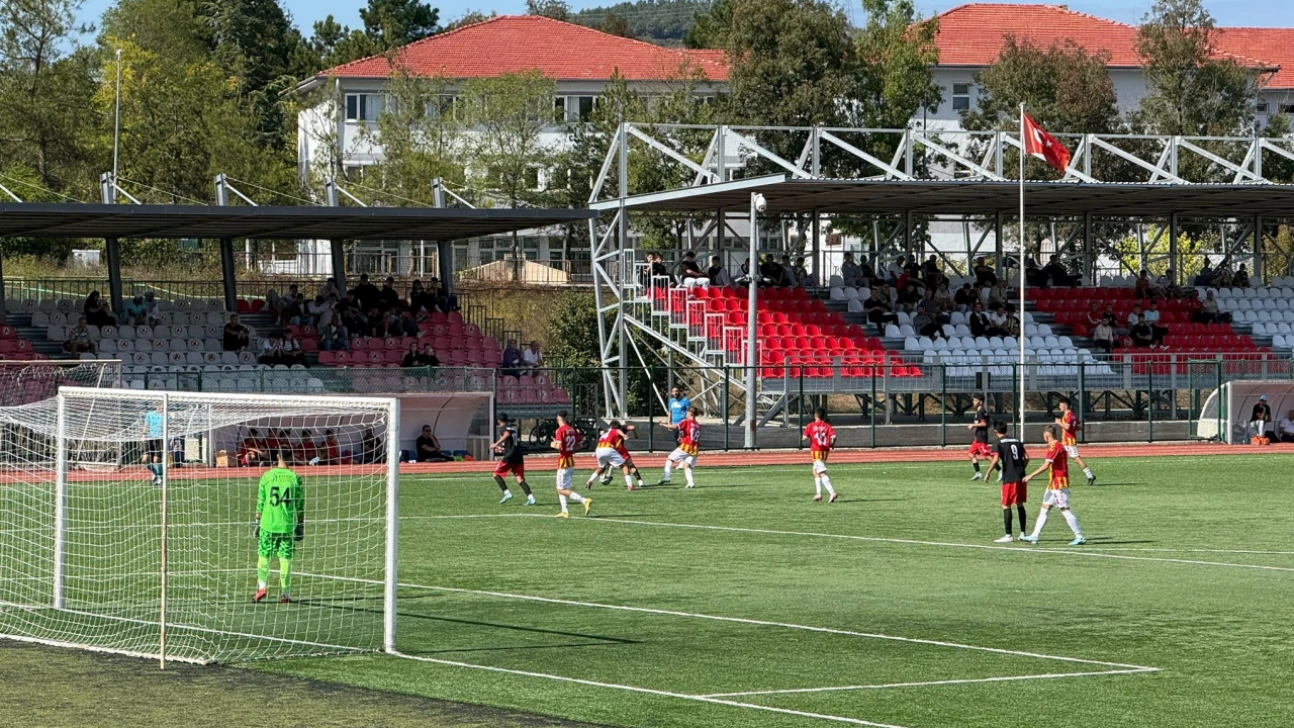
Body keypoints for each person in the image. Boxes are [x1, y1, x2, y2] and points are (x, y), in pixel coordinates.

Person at [251, 449, 305, 604]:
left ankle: (262, 587)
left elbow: (260, 502)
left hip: (267, 524)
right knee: (285, 559)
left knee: (264, 555)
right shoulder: (295, 478)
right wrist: (300, 524)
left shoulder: (267, 476)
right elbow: (300, 504)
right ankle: (285, 594)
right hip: (287, 526)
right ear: (291, 457)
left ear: (277, 456)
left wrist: (256, 523)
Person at [1020, 426, 1086, 546]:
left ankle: (1079, 536)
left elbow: (1046, 466)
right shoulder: (1059, 446)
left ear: (1047, 435)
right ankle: (1035, 535)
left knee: (1064, 509)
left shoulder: (1054, 447)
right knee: (1044, 508)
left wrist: (1030, 475)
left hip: (1058, 484)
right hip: (1053, 483)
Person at [984, 421, 1029, 543]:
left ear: (995, 431)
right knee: (1020, 504)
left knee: (1006, 504)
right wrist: (1020, 468)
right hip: (1021, 476)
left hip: (1009, 477)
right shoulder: (1016, 440)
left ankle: (1008, 535)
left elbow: (995, 459)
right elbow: (1027, 457)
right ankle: (1023, 533)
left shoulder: (998, 442)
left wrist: (988, 472)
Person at [551, 411, 590, 518]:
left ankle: (584, 500)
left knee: (561, 489)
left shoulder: (560, 430)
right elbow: (580, 445)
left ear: (559, 418)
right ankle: (564, 511)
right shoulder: (572, 430)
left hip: (563, 461)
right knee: (561, 487)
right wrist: (570, 449)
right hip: (570, 461)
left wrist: (553, 443)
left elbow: (558, 446)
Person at [491, 414, 534, 505]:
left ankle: (507, 493)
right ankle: (531, 498)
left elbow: (506, 434)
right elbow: (511, 443)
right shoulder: (512, 428)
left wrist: (496, 444)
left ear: (499, 420)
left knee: (495, 473)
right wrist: (501, 448)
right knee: (519, 478)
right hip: (518, 454)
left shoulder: (503, 428)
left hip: (511, 455)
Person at [586, 421, 638, 490]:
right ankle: (630, 486)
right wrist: (623, 435)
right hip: (608, 448)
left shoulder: (605, 433)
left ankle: (590, 481)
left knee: (601, 468)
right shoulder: (614, 430)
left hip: (598, 449)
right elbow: (617, 431)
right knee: (624, 466)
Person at [1056, 398, 1096, 485]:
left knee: (1076, 458)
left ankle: (1090, 475)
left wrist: (1059, 422)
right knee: (1064, 458)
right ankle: (1060, 477)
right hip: (1066, 441)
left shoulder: (1068, 415)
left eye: (1060, 405)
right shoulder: (1072, 415)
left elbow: (1067, 427)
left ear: (1065, 404)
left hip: (1069, 441)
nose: (1059, 407)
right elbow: (1078, 427)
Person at [658, 407, 701, 488]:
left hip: (686, 446)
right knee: (686, 466)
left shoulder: (687, 421)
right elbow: (688, 433)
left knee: (670, 459)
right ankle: (691, 483)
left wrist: (663, 424)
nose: (686, 415)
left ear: (690, 413)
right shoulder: (697, 424)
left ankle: (667, 477)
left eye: (687, 413)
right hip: (695, 447)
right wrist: (682, 437)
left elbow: (675, 427)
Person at [802, 408, 838, 502]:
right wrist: (832, 444)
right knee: (815, 472)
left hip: (816, 451)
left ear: (815, 415)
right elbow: (834, 436)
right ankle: (818, 494)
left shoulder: (810, 426)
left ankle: (832, 492)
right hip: (825, 450)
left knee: (821, 472)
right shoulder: (827, 426)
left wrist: (803, 436)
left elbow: (804, 438)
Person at [967, 396, 996, 481]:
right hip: (977, 437)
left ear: (980, 402)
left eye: (975, 400)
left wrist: (973, 425)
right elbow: (989, 422)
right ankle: (978, 473)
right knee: (971, 454)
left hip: (981, 437)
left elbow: (983, 424)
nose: (973, 401)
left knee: (986, 456)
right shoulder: (981, 412)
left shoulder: (981, 412)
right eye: (973, 400)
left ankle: (1001, 471)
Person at [142, 403, 165, 485]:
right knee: (144, 459)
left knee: (156, 460)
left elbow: (168, 426)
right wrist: (143, 435)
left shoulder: (165, 415)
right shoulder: (150, 414)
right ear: (157, 406)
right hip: (150, 438)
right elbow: (146, 425)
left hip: (160, 439)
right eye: (160, 406)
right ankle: (156, 474)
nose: (161, 408)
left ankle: (160, 478)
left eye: (163, 407)